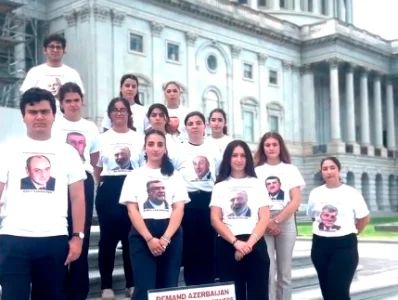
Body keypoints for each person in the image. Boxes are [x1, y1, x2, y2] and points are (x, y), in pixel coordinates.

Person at [0, 87, 86, 300]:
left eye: (44, 111)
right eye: (33, 111)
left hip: (54, 239)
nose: (39, 116)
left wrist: (77, 237)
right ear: (23, 116)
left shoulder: (68, 152)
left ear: (54, 115)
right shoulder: (8, 149)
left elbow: (77, 198)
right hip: (13, 238)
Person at [119, 129, 189, 300]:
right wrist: (149, 239)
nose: (155, 148)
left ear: (165, 149)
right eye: (151, 144)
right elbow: (132, 209)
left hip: (170, 234)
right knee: (144, 288)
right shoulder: (134, 176)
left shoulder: (175, 176)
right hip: (142, 234)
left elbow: (178, 209)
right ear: (145, 148)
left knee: (169, 287)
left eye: (160, 144)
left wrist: (165, 239)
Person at [52, 82, 100, 300]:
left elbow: (95, 158)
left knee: (81, 234)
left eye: (76, 100)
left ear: (82, 101)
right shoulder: (54, 125)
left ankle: (79, 291)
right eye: (68, 100)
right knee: (61, 233)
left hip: (83, 180)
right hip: (59, 182)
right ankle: (59, 288)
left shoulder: (90, 127)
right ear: (61, 104)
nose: (72, 104)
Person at [210, 140, 271, 300]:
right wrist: (236, 243)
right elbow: (215, 219)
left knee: (259, 294)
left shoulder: (257, 184)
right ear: (228, 158)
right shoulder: (220, 186)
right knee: (233, 295)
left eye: (243, 155)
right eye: (234, 155)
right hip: (227, 244)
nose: (239, 159)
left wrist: (248, 245)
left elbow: (264, 217)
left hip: (255, 243)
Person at [95, 97, 142, 299]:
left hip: (132, 187)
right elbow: (97, 168)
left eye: (123, 109)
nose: (119, 113)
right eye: (115, 109)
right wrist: (103, 186)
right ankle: (106, 286)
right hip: (110, 188)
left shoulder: (138, 138)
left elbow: (143, 166)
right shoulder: (102, 138)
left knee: (130, 238)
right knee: (107, 240)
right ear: (110, 114)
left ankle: (131, 283)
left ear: (129, 114)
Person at [307, 157, 370, 300]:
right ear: (321, 172)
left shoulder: (351, 193)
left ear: (339, 170)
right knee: (327, 292)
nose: (329, 171)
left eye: (332, 167)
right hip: (320, 247)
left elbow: (364, 218)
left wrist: (351, 232)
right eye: (325, 168)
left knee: (339, 293)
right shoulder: (315, 193)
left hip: (344, 247)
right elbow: (313, 216)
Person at [254, 131, 305, 300]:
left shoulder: (290, 169)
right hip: (263, 221)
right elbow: (254, 200)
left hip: (286, 220)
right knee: (268, 271)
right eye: (267, 145)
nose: (271, 148)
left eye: (274, 144)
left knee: (285, 272)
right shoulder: (256, 171)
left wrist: (277, 220)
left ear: (280, 146)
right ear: (263, 148)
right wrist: (267, 222)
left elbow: (296, 200)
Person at [180, 111, 221, 285]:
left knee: (208, 245)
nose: (194, 126)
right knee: (190, 247)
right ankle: (192, 287)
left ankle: (208, 287)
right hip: (187, 202)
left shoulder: (214, 149)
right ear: (186, 127)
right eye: (190, 123)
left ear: (205, 126)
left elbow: (219, 176)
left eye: (198, 122)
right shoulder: (178, 150)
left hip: (208, 200)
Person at [20, 34, 84, 99]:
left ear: (64, 51)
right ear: (45, 50)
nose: (55, 50)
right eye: (51, 47)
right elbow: (25, 97)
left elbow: (81, 98)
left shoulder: (72, 73)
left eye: (58, 47)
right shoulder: (34, 72)